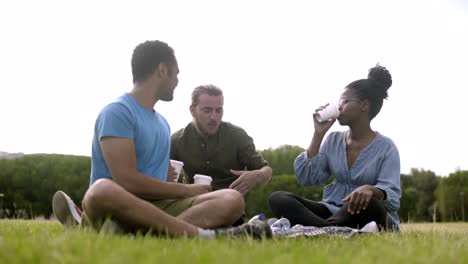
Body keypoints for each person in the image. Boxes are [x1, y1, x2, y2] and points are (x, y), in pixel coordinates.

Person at [52, 40, 271, 239]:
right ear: (162, 70)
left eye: (218, 110)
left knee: (231, 199)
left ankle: (144, 235)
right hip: (117, 205)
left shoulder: (162, 123)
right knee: (101, 190)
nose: (177, 81)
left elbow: (155, 182)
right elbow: (126, 182)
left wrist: (165, 177)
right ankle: (201, 236)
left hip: (158, 208)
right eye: (175, 74)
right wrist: (188, 190)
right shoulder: (117, 112)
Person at [268, 64, 401, 231]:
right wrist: (318, 134)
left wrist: (371, 190)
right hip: (331, 211)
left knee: (371, 204)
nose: (339, 107)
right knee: (279, 198)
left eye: (344, 101)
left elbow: (393, 198)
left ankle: (315, 229)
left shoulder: (387, 148)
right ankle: (332, 230)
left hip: (364, 213)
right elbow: (307, 178)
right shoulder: (333, 140)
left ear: (364, 105)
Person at [170, 84, 272, 195]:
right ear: (192, 110)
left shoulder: (237, 135)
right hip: (190, 204)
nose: (214, 117)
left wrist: (256, 176)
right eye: (207, 110)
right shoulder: (175, 141)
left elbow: (266, 170)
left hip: (230, 204)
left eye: (218, 110)